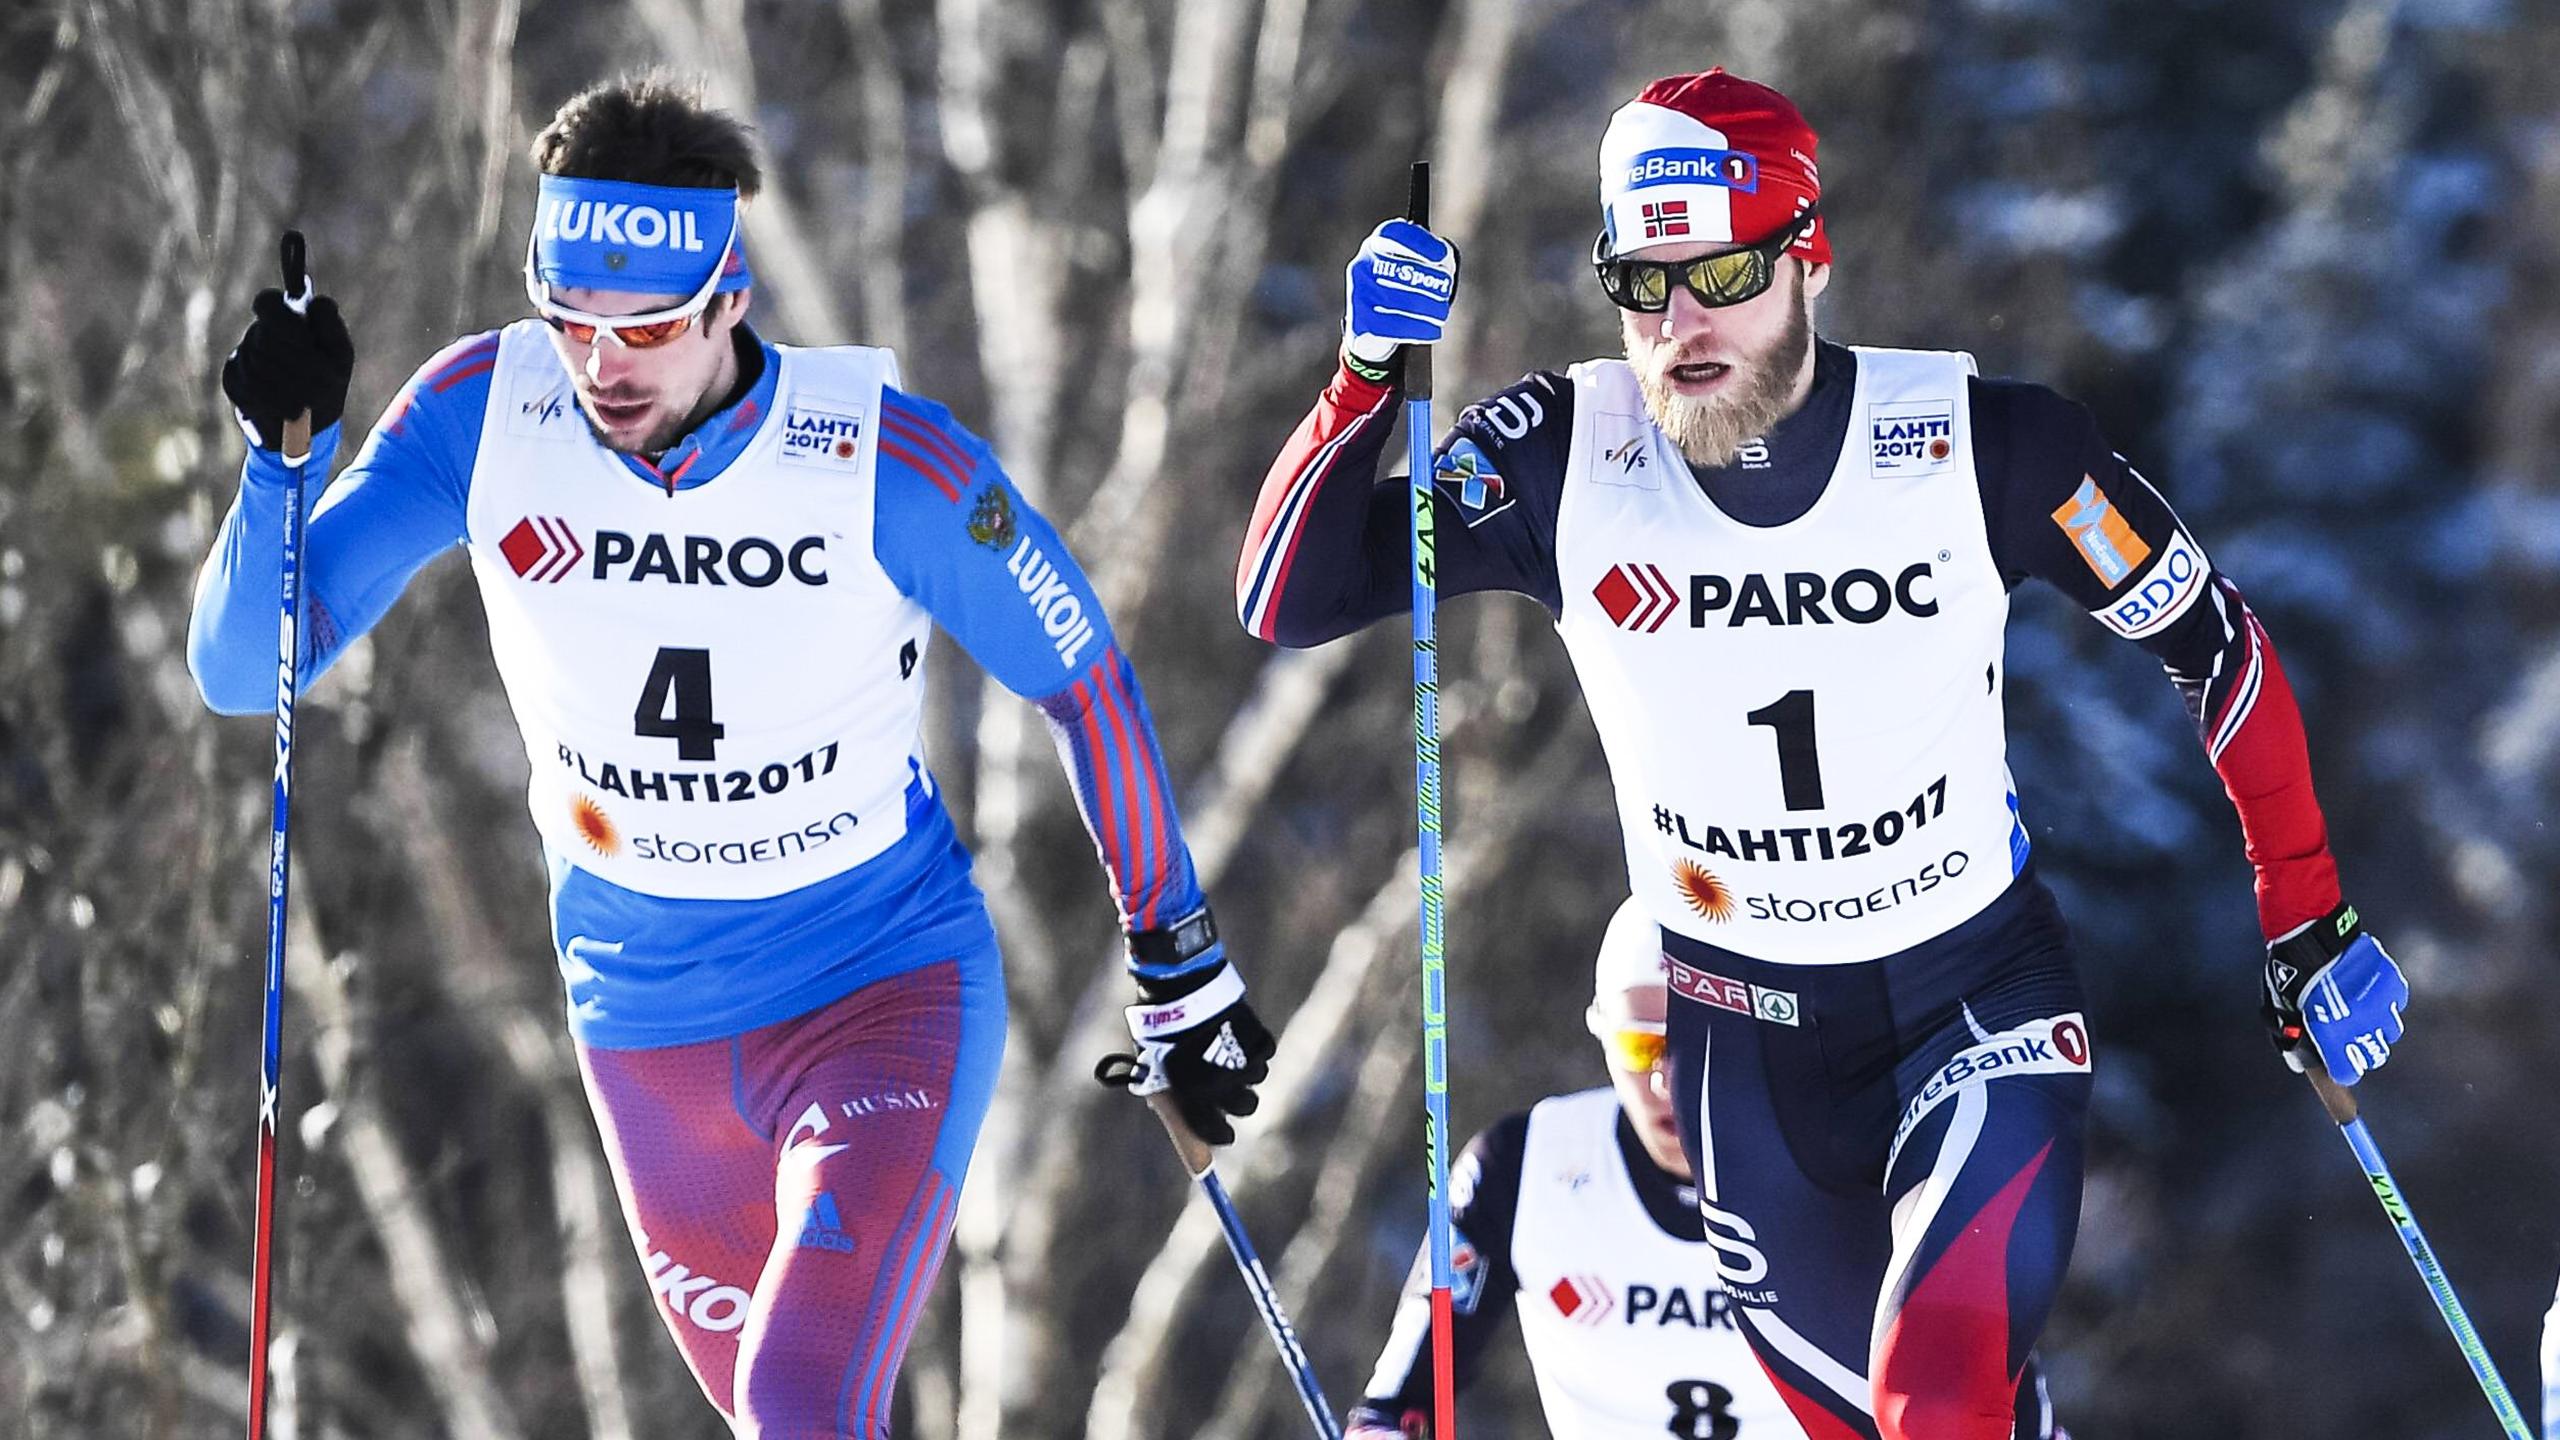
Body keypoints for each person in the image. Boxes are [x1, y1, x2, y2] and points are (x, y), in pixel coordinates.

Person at [1238, 69, 2409, 1440]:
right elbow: (1290, 599)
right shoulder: (1565, 454)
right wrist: (1365, 378)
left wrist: (2307, 909)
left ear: (1808, 257)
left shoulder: (1987, 444)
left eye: (1723, 271)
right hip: (1744, 1043)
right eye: (1641, 280)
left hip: (1977, 999)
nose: (1679, 323)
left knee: (1938, 1404)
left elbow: (2219, 643)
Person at [191, 75, 1273, 1438]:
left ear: (730, 299)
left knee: (799, 1403)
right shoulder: (484, 414)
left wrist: (1176, 952)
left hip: (878, 988)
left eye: (644, 329)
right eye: (571, 322)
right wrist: (278, 466)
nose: (602, 368)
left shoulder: (880, 463)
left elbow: (1086, 682)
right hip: (647, 1032)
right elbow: (247, 671)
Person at [1347, 899, 2064, 1440]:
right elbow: (1400, 1399)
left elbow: (1986, 1387)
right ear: (1599, 1037)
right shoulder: (1525, 1165)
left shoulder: (1849, 1170)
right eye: (1637, 1048)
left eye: (1688, 1054)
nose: (1664, 1086)